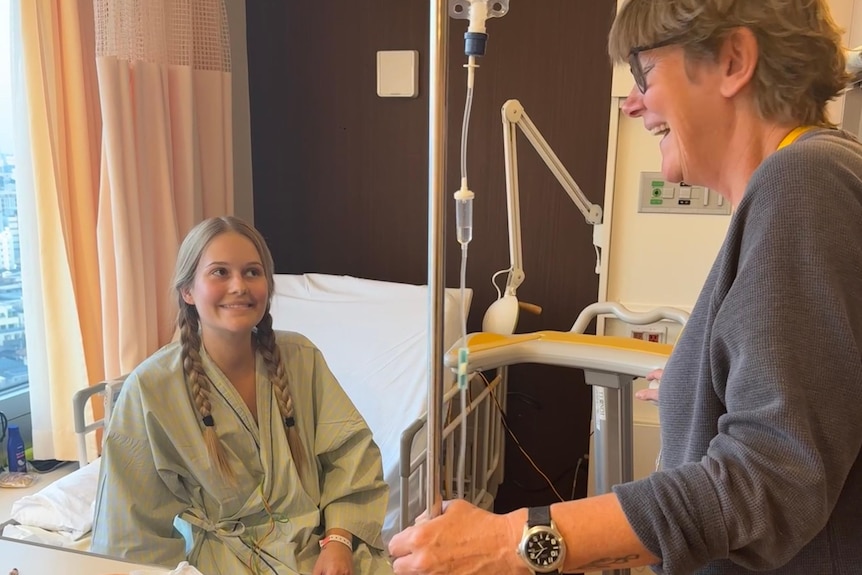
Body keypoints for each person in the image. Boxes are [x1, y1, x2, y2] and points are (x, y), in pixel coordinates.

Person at [388, 0, 862, 573]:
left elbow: (769, 480)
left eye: (643, 74)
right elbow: (800, 394)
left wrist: (511, 541)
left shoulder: (805, 182)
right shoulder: (802, 184)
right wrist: (698, 382)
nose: (631, 103)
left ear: (734, 60)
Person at [91, 216, 394, 575]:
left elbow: (351, 458)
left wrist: (340, 543)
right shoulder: (150, 389)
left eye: (252, 272)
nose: (239, 286)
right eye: (219, 272)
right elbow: (130, 529)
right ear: (188, 291)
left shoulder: (301, 359)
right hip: (222, 563)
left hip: (323, 551)